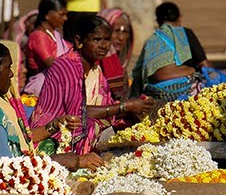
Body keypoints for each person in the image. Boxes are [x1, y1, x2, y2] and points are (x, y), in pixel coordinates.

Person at [0, 40, 101, 171]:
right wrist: (58, 161)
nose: (12, 74)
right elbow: (4, 172)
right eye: (8, 68)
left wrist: (53, 126)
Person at [33, 16, 152, 154]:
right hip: (51, 135)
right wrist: (124, 106)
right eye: (96, 40)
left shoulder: (96, 70)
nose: (103, 46)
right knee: (90, 125)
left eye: (107, 40)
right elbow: (79, 113)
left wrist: (133, 107)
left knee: (130, 121)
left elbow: (107, 106)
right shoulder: (67, 66)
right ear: (79, 41)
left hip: (81, 126)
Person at [133, 1, 208, 102]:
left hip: (156, 92)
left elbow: (138, 73)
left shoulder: (151, 40)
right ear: (179, 18)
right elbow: (206, 66)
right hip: (182, 88)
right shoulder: (185, 32)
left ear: (158, 21)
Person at [21, 0, 71, 96]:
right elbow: (53, 65)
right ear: (47, 15)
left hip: (57, 83)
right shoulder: (39, 37)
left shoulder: (55, 34)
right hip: (42, 89)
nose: (65, 18)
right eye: (61, 14)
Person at [100, 8, 135, 101]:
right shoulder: (95, 62)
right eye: (116, 30)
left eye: (125, 32)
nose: (121, 37)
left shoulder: (121, 64)